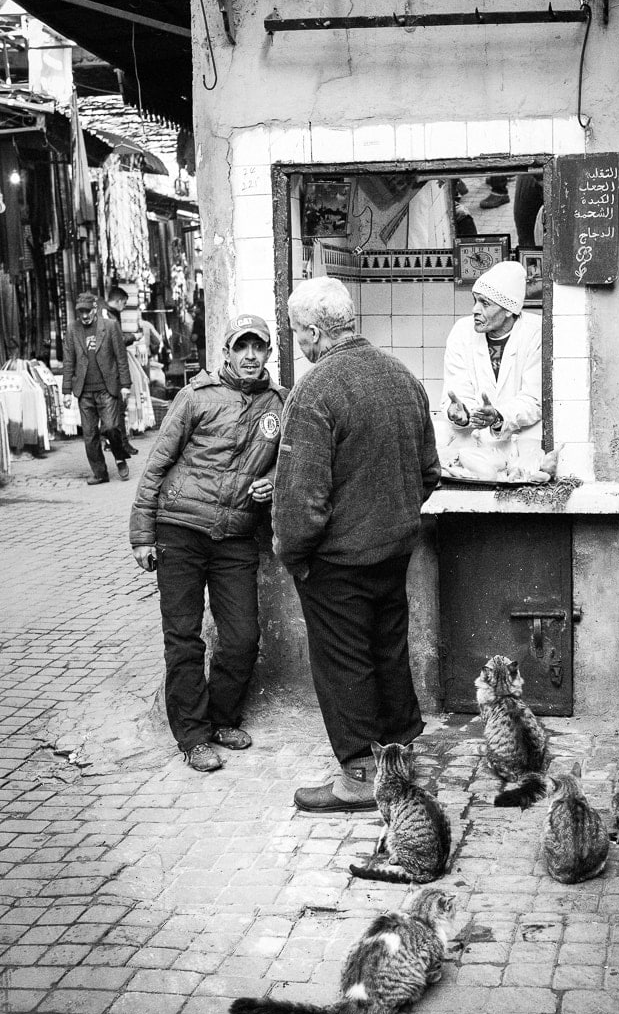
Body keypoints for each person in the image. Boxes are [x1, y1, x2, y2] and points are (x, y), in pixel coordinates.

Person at [272, 276, 440, 813]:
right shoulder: (402, 378)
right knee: (386, 650)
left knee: (345, 661)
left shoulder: (315, 389)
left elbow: (300, 498)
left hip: (337, 560)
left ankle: (362, 776)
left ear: (315, 331)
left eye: (298, 332)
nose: (298, 342)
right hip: (393, 549)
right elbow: (428, 473)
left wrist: (293, 554)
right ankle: (398, 757)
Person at [129, 313, 286, 773]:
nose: (251, 355)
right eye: (243, 347)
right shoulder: (195, 397)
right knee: (183, 638)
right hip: (179, 530)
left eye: (259, 347)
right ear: (227, 353)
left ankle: (220, 718)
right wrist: (142, 535)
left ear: (270, 354)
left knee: (242, 638)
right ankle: (193, 737)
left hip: (235, 536)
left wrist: (272, 480)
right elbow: (156, 465)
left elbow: (293, 459)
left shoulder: (280, 404)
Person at [442, 260, 542, 442]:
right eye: (475, 301)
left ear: (509, 310)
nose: (474, 310)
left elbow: (534, 399)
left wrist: (498, 416)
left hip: (522, 443)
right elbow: (457, 390)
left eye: (485, 303)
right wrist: (462, 413)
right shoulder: (462, 331)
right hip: (475, 445)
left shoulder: (535, 332)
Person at [62, 290, 133, 484]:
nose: (84, 316)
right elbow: (68, 361)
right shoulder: (72, 330)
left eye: (87, 311)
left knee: (111, 427)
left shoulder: (110, 326)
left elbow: (121, 358)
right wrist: (66, 391)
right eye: (80, 312)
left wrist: (125, 385)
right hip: (84, 391)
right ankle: (100, 473)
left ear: (95, 309)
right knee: (89, 435)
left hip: (107, 388)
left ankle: (119, 456)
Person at [101, 284, 138, 457]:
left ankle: (115, 442)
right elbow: (117, 341)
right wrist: (133, 337)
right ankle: (121, 444)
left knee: (113, 408)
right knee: (118, 407)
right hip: (111, 368)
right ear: (120, 301)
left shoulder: (105, 313)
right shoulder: (109, 317)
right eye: (124, 304)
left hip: (107, 368)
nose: (124, 308)